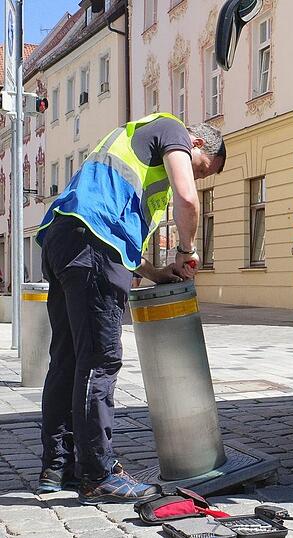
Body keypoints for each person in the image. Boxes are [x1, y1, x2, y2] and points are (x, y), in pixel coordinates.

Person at [34, 113, 226, 504]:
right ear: (198, 144)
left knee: (68, 359)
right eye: (204, 169)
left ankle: (57, 468)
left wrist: (156, 272)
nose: (199, 178)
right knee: (99, 361)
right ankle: (98, 473)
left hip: (64, 237)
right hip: (92, 245)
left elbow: (116, 235)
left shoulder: (132, 143)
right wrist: (186, 251)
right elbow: (188, 198)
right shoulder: (172, 128)